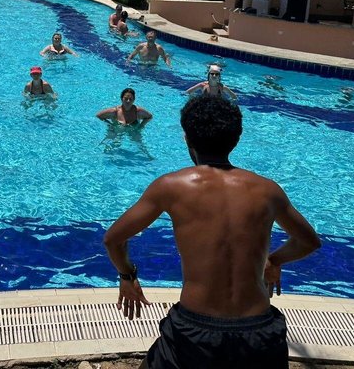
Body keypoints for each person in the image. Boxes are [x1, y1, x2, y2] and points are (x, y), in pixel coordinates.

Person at [103, 96, 321, 368]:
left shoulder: (171, 186)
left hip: (195, 331)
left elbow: (113, 239)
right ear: (236, 138)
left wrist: (127, 276)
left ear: (187, 139)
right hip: (259, 330)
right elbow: (308, 241)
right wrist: (274, 260)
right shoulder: (267, 190)